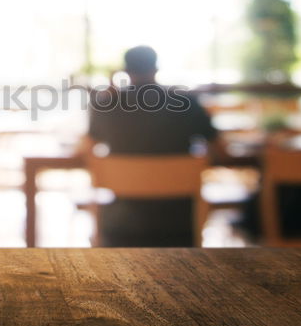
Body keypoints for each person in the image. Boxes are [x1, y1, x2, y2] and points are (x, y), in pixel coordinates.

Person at [82, 46, 219, 247]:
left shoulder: (107, 104)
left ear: (125, 71)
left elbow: (87, 146)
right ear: (156, 68)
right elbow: (217, 144)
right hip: (178, 224)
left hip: (121, 224)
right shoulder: (184, 101)